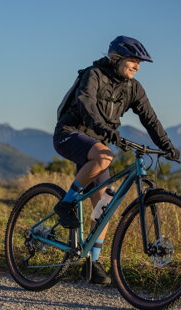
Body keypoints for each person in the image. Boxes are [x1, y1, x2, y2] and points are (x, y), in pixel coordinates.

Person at [53, 35, 180, 284]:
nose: (138, 66)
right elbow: (86, 102)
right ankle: (65, 204)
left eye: (139, 62)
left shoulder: (133, 88)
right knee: (105, 155)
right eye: (133, 60)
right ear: (117, 58)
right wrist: (102, 126)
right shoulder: (94, 74)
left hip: (97, 144)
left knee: (106, 205)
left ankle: (92, 264)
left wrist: (167, 146)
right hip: (70, 134)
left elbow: (150, 119)